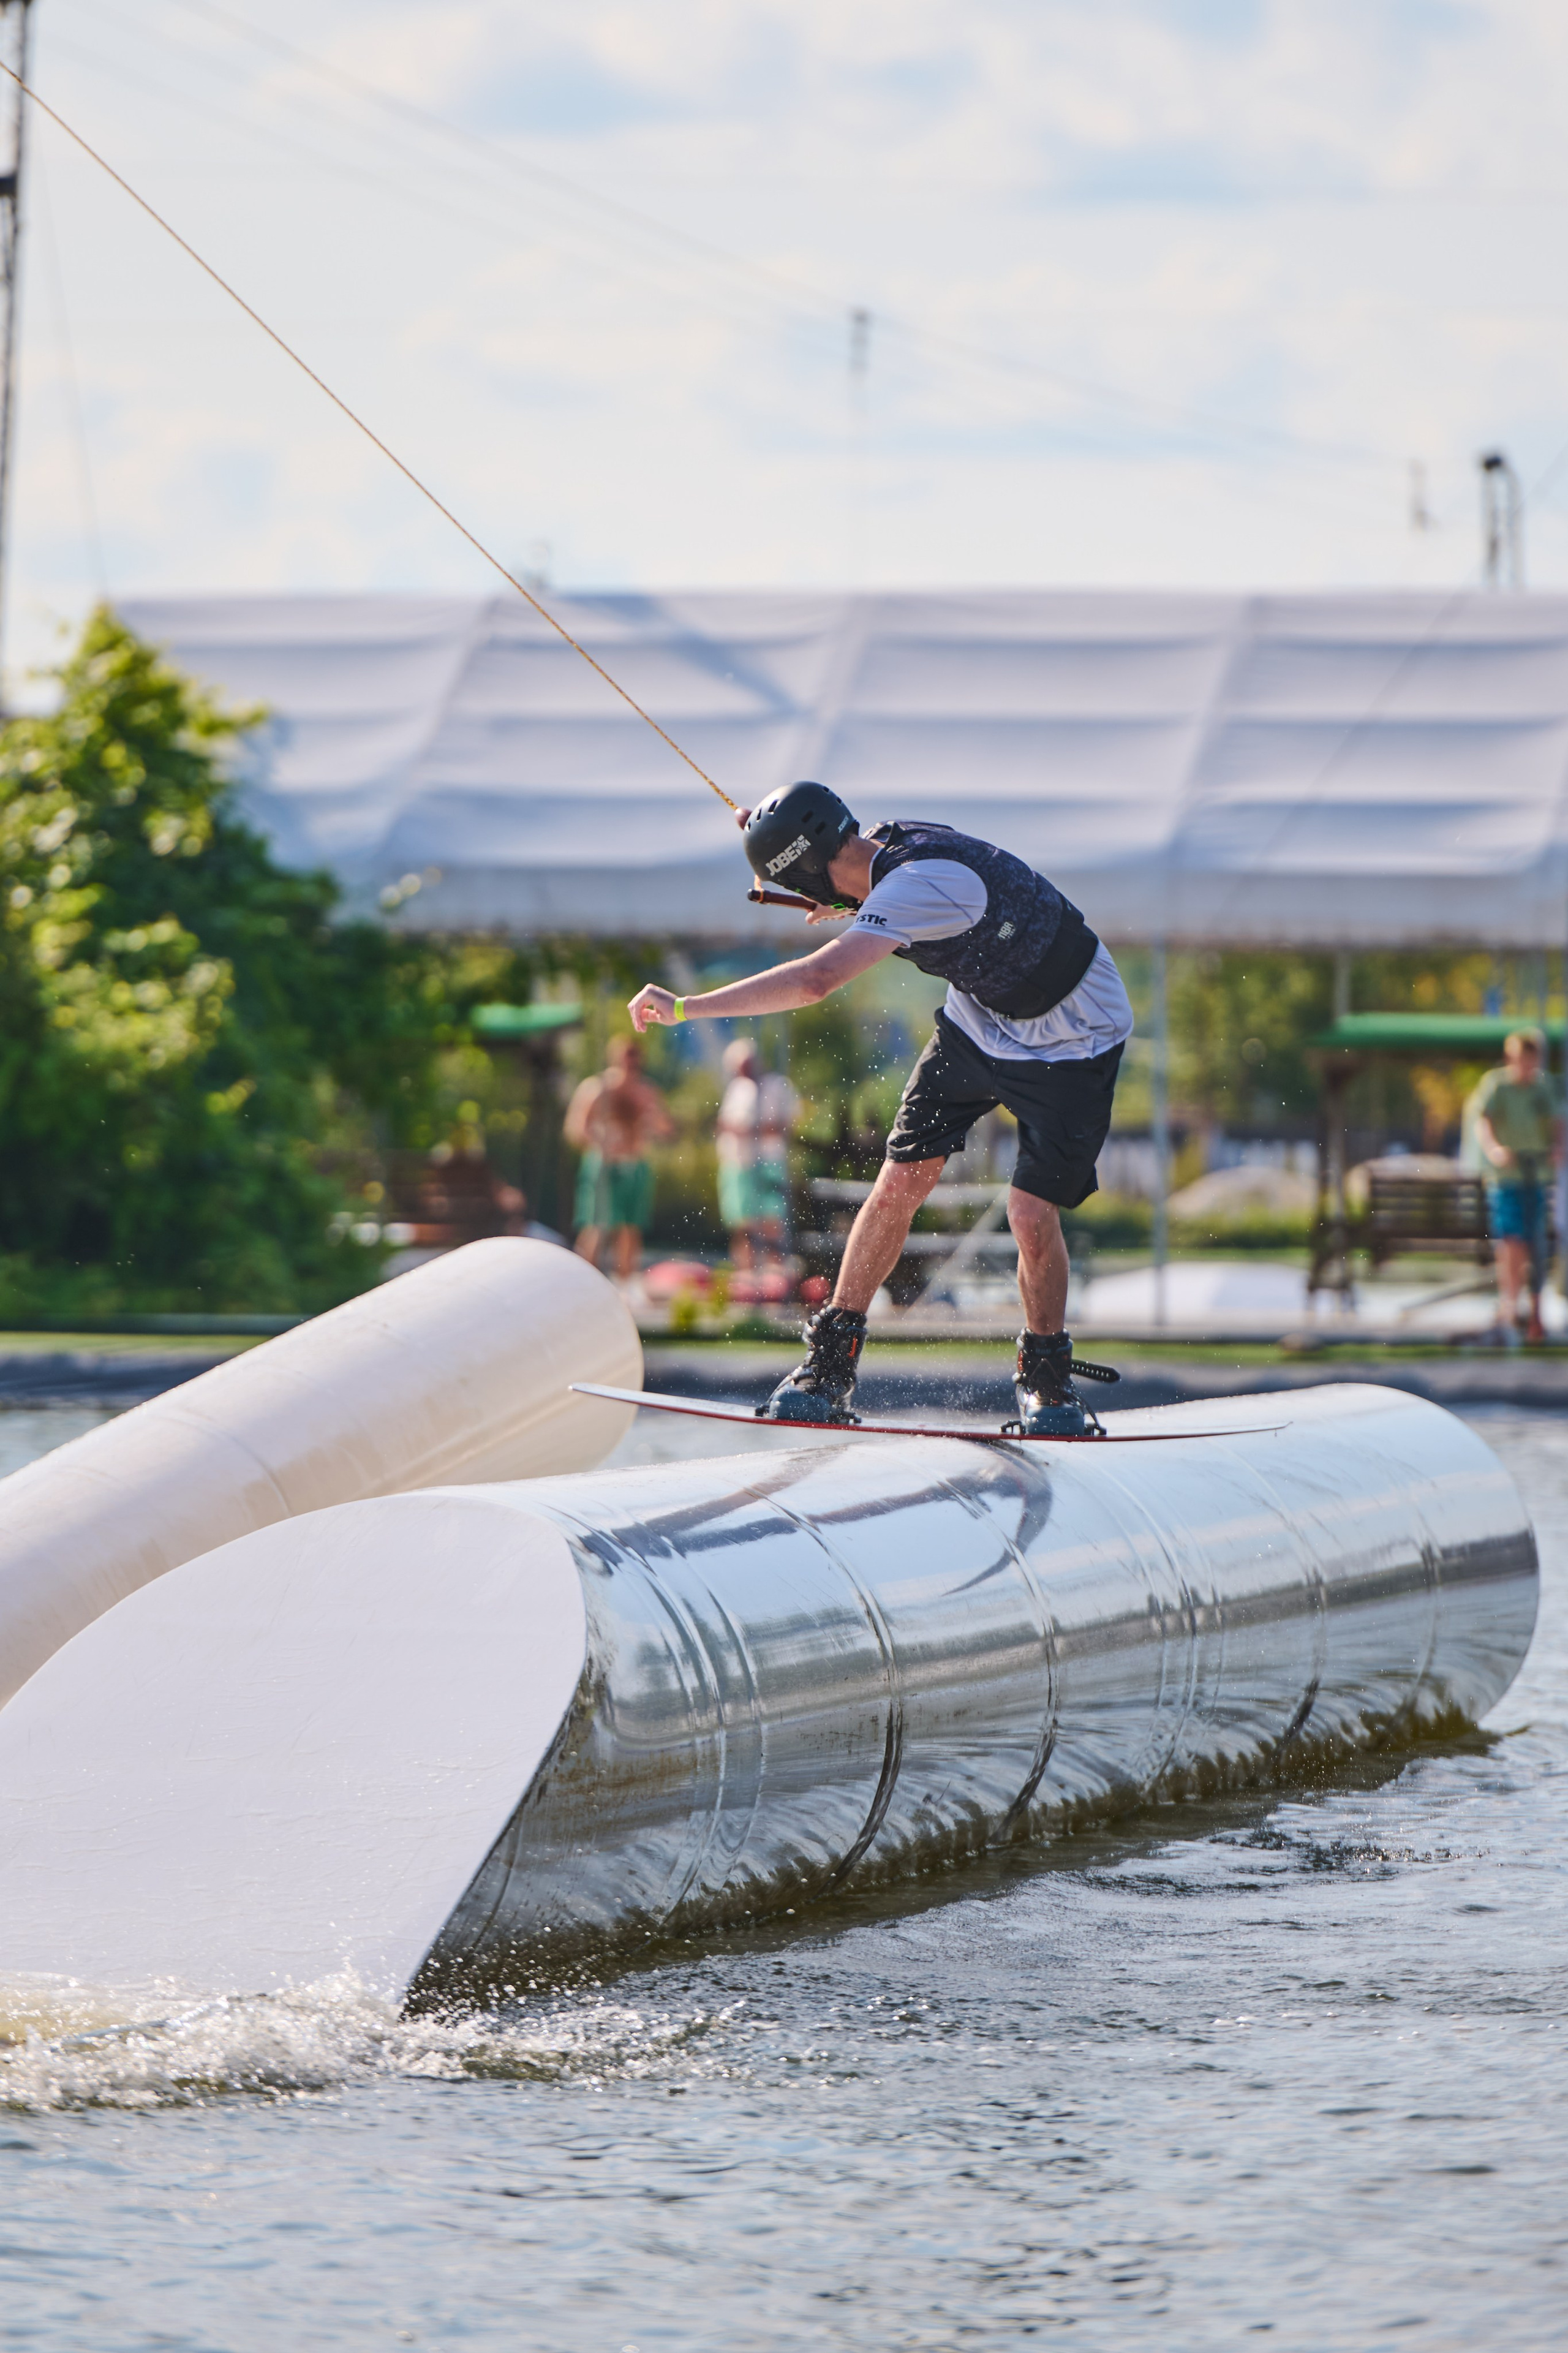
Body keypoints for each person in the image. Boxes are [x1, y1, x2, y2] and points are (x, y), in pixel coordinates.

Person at [628, 781, 1132, 1433]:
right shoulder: (884, 843)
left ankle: (1048, 1383)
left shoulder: (916, 885)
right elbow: (843, 868)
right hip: (980, 1023)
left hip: (1075, 1038)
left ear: (805, 872)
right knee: (898, 1185)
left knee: (1030, 1216)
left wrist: (684, 1006)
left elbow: (815, 980)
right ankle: (827, 1369)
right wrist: (786, 853)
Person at [1468, 1029, 1564, 1345]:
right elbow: (1484, 1121)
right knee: (1511, 1241)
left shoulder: (1543, 1087)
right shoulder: (1497, 1085)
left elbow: (1557, 1122)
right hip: (1506, 1177)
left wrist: (1557, 1148)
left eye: (1532, 1060)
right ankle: (1510, 1304)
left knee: (1536, 1244)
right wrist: (1495, 1150)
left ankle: (1534, 1311)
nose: (1527, 1067)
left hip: (1536, 1175)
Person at [565, 1036, 676, 1284]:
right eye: (626, 1057)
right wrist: (601, 1141)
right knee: (596, 1226)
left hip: (634, 1165)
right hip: (604, 1164)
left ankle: (625, 1286)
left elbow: (666, 1129)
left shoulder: (645, 1091)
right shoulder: (597, 1089)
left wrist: (652, 1116)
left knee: (631, 1229)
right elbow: (575, 1129)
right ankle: (581, 1283)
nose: (631, 1064)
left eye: (635, 1057)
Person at [716, 1038, 799, 1280]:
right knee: (742, 1221)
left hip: (769, 1161)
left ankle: (774, 1273)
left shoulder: (778, 1086)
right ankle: (746, 1272)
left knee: (772, 1219)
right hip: (739, 1163)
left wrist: (751, 1130)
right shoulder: (737, 1089)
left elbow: (785, 1125)